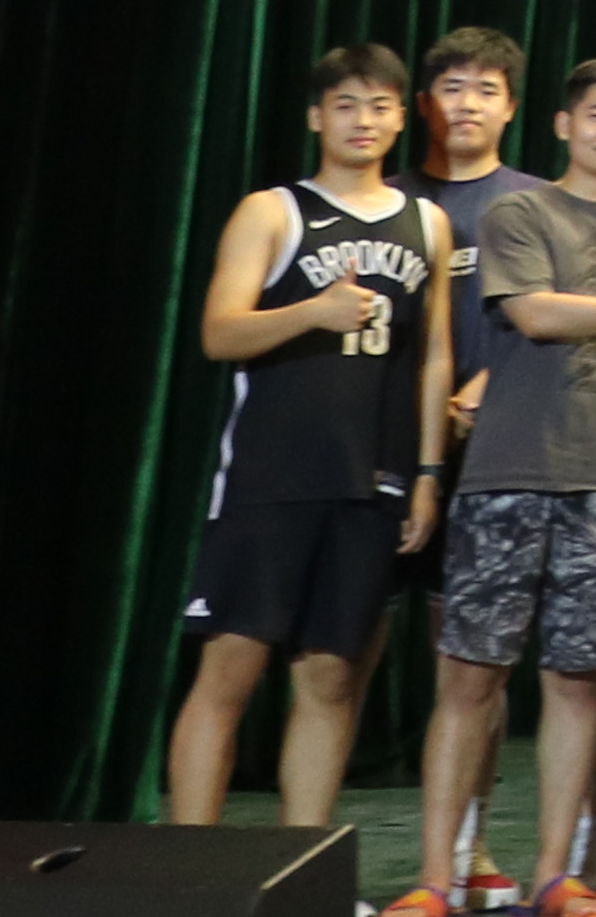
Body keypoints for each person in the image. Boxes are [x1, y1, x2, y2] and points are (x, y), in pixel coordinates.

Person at [400, 57, 596, 917]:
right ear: (565, 125)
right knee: (471, 676)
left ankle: (553, 875)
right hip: (506, 472)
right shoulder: (521, 213)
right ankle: (434, 877)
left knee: (577, 681)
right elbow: (534, 314)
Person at [169, 45, 448, 840]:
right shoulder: (273, 211)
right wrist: (311, 313)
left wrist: (428, 472)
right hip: (273, 474)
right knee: (231, 665)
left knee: (330, 676)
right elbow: (220, 332)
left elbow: (434, 356)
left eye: (381, 105)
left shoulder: (426, 222)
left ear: (402, 118)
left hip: (373, 480)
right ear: (317, 116)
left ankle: (303, 866)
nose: (365, 121)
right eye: (347, 105)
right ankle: (190, 871)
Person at [399, 27, 535, 912]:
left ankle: (468, 844)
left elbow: (550, 318)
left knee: (476, 665)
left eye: (487, 90)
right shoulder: (390, 200)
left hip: (495, 457)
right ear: (424, 104)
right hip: (391, 455)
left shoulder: (534, 202)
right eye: (452, 88)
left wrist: (484, 389)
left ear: (512, 107)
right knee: (345, 662)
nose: (468, 105)